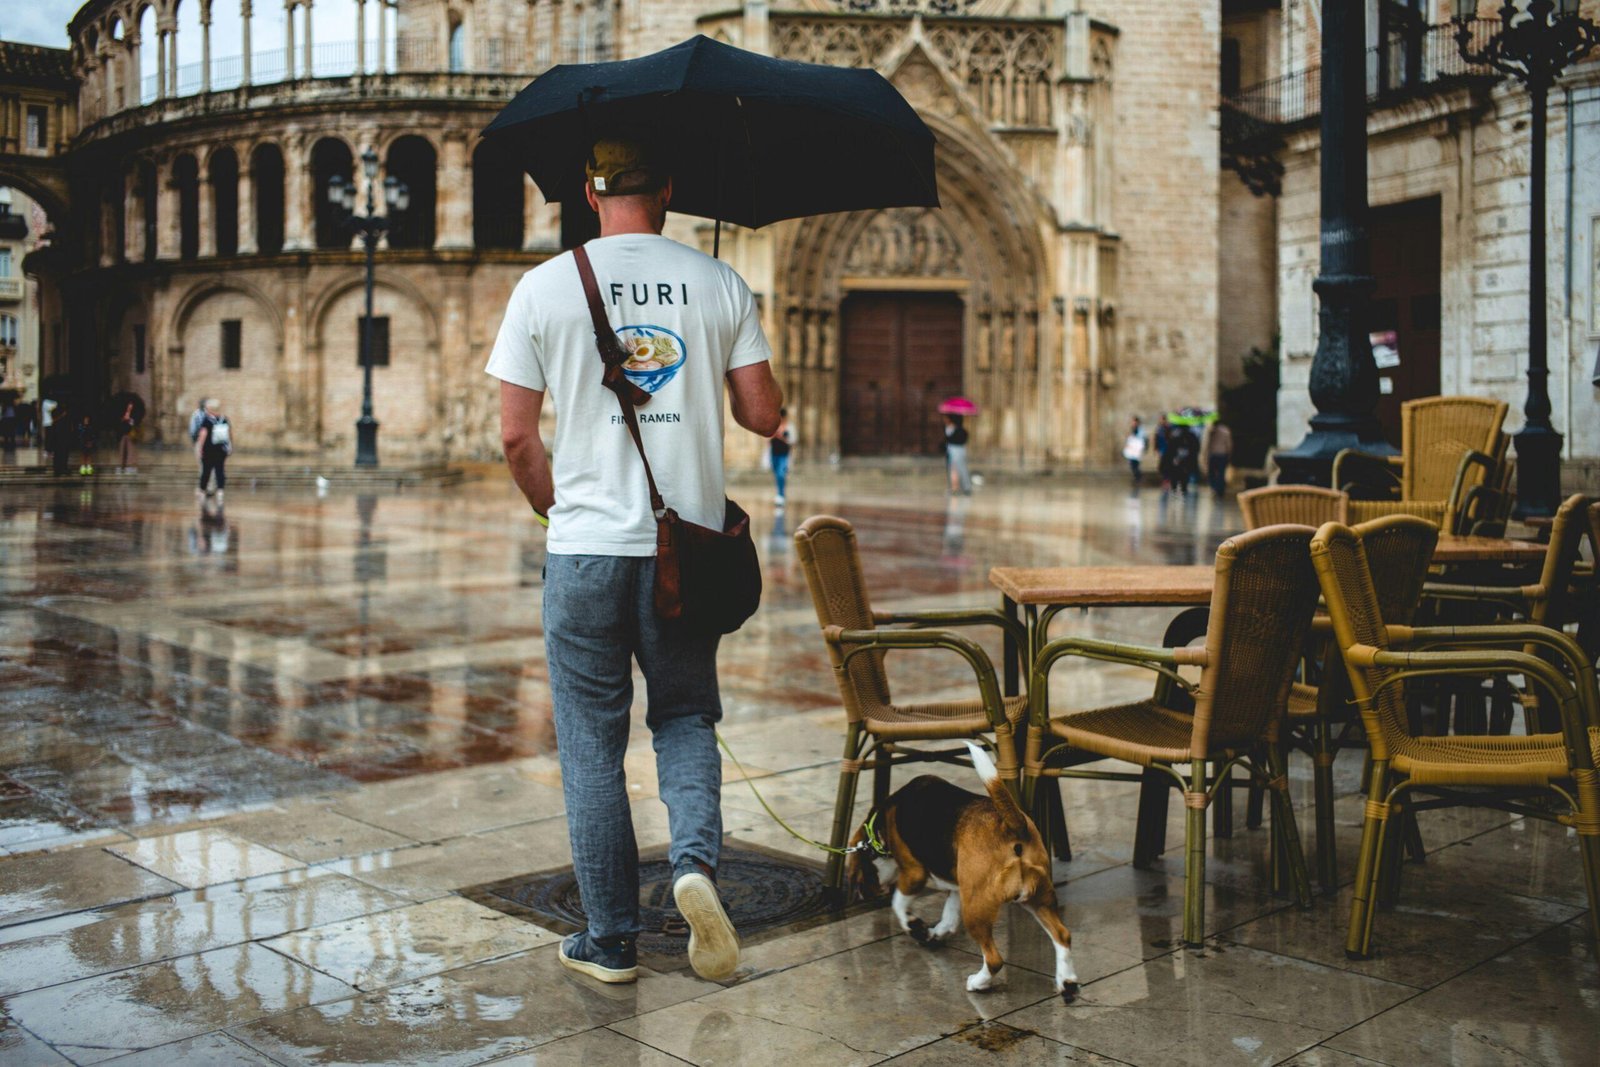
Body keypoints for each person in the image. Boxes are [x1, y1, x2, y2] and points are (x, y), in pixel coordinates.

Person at [487, 136, 782, 985]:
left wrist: (556, 507)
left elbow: (515, 434)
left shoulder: (542, 287)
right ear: (669, 190)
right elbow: (764, 416)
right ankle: (693, 867)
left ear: (589, 192)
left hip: (584, 551)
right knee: (685, 718)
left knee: (590, 745)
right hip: (680, 550)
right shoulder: (719, 280)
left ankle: (609, 940)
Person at [195, 398, 232, 501]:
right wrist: (229, 445)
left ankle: (202, 490)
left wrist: (200, 448)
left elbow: (203, 434)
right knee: (219, 470)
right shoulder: (224, 419)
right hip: (221, 449)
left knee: (206, 470)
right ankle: (220, 490)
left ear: (210, 409)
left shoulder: (207, 420)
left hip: (209, 449)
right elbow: (228, 434)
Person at [1162, 423, 1200, 496]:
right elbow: (1196, 448)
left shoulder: (1175, 435)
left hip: (1176, 462)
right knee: (1184, 482)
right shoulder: (1192, 436)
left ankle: (1175, 493)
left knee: (1175, 481)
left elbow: (1170, 449)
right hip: (1185, 463)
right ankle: (1182, 494)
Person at [768, 407, 793, 506]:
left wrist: (781, 436)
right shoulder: (773, 427)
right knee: (777, 473)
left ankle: (781, 495)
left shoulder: (789, 427)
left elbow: (792, 441)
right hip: (774, 452)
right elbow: (767, 438)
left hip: (784, 453)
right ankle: (780, 493)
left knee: (781, 473)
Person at [944, 413, 972, 494]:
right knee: (956, 469)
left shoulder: (954, 429)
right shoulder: (955, 429)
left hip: (955, 451)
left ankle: (962, 487)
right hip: (957, 451)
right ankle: (958, 487)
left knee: (957, 469)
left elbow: (949, 439)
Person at [1205, 420, 1233, 498]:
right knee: (1221, 473)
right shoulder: (1226, 431)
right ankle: (1219, 489)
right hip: (1222, 454)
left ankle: (1214, 487)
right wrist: (1229, 455)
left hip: (1213, 454)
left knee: (1212, 473)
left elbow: (1207, 444)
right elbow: (1229, 445)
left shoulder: (1211, 431)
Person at [1122, 416, 1146, 485]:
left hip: (1136, 450)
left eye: (1133, 421)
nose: (1132, 423)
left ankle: (1139, 478)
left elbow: (1140, 440)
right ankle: (1137, 478)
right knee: (1133, 465)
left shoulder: (1140, 430)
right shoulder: (1133, 429)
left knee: (1135, 465)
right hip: (1132, 450)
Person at [118, 402, 139, 473]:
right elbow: (119, 423)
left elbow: (134, 423)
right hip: (123, 434)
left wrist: (129, 419)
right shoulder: (123, 413)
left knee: (130, 450)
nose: (130, 408)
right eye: (129, 406)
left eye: (131, 407)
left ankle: (130, 466)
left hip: (130, 434)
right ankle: (122, 465)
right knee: (123, 450)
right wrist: (124, 419)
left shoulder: (133, 415)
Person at [1153, 413, 1172, 491]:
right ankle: (1165, 479)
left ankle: (1167, 480)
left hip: (1167, 449)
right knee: (1162, 466)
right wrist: (1156, 448)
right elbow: (1156, 439)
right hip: (1161, 449)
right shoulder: (1158, 428)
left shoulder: (1169, 428)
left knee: (1166, 465)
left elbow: (1170, 439)